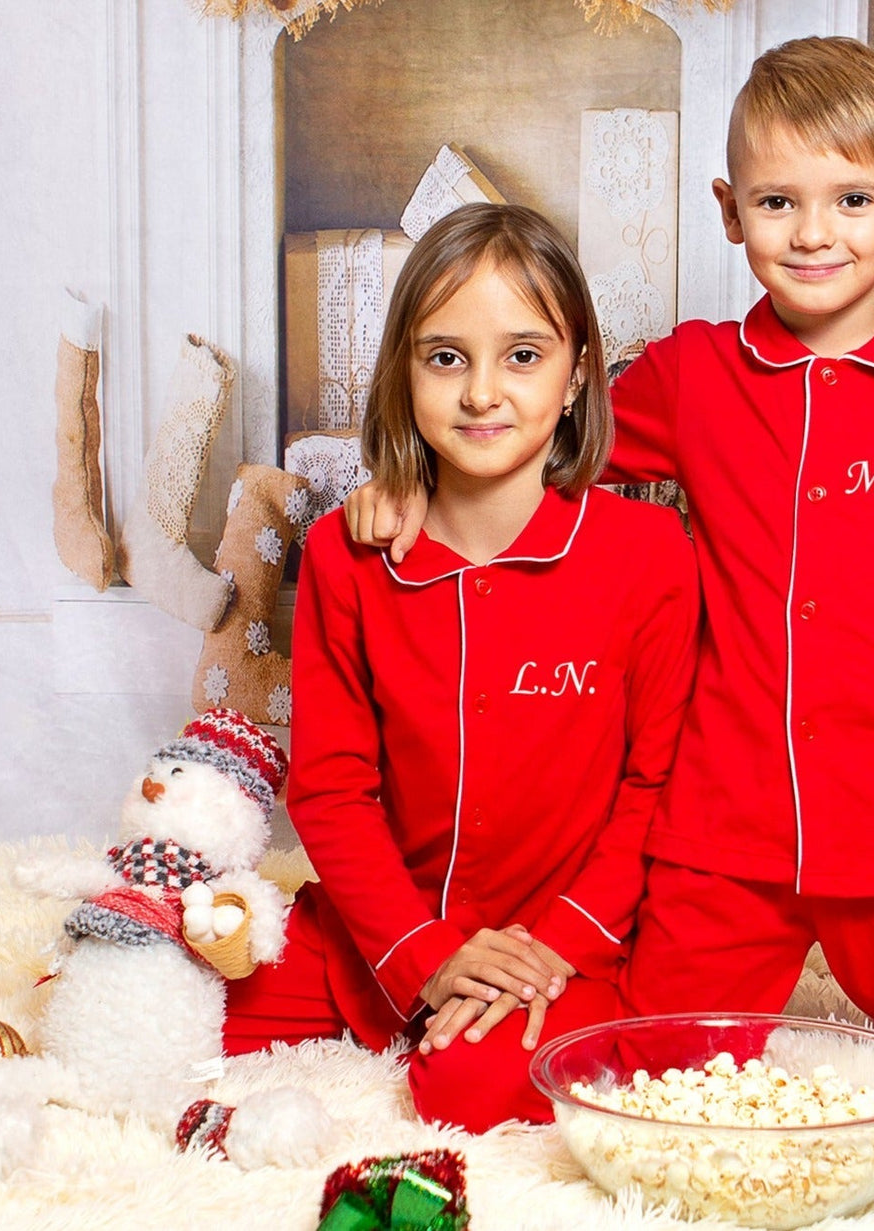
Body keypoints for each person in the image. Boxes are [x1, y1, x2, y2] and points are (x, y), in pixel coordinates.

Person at [345, 38, 874, 1056]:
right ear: (729, 212)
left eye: (851, 200)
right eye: (777, 202)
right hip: (719, 829)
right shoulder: (694, 374)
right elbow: (541, 436)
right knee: (655, 1060)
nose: (813, 233)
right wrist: (410, 483)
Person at [223, 202, 699, 1131]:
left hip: (557, 948)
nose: (483, 393)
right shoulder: (346, 555)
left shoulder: (648, 555)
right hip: (376, 932)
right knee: (136, 988)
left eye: (522, 355)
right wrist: (423, 954)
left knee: (468, 1086)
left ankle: (519, 1019)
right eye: (446, 358)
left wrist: (552, 949)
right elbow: (330, 788)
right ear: (403, 373)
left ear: (576, 374)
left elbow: (658, 786)